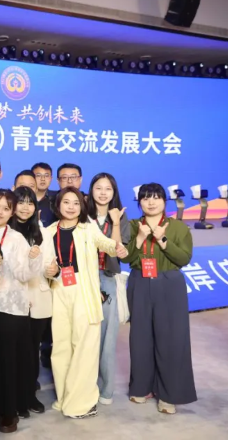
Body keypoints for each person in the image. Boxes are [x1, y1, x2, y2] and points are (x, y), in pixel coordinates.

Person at [42, 187, 127, 419]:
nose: (71, 207)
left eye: (76, 203)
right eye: (66, 202)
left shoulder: (88, 228)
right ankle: (64, 398)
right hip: (59, 288)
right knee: (61, 347)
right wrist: (49, 271)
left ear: (82, 207)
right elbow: (44, 264)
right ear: (58, 205)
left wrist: (117, 247)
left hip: (84, 290)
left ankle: (78, 404)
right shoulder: (48, 232)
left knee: (85, 346)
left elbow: (106, 244)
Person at [120, 183, 196, 414]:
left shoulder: (178, 227)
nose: (151, 202)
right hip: (140, 281)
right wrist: (140, 239)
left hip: (169, 283)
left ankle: (168, 394)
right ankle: (141, 387)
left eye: (156, 197)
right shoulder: (133, 225)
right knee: (140, 336)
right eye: (145, 198)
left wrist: (163, 241)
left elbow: (184, 259)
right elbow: (126, 258)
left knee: (171, 338)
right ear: (139, 202)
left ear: (165, 201)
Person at [0, 189, 41, 433]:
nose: (0, 212)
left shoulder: (16, 238)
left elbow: (24, 274)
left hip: (9, 308)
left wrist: (34, 259)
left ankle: (9, 413)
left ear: (12, 213)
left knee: (7, 363)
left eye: (6, 208)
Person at [87, 173, 131, 406]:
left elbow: (117, 249)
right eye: (98, 188)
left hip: (107, 277)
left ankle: (105, 390)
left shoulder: (120, 217)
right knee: (85, 334)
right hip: (84, 279)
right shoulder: (82, 215)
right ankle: (85, 386)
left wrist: (114, 222)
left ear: (114, 192)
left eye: (108, 189)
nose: (103, 193)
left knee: (107, 337)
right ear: (91, 190)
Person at [10, 186, 54, 414]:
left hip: (38, 297)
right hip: (11, 300)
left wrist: (53, 270)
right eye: (21, 202)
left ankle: (29, 396)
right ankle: (13, 399)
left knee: (31, 351)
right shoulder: (4, 232)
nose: (25, 207)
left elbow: (49, 265)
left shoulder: (43, 233)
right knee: (12, 352)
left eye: (30, 203)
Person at [31, 163, 56, 227]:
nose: (43, 179)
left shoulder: (57, 198)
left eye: (46, 175)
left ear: (51, 178)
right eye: (38, 175)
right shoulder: (25, 197)